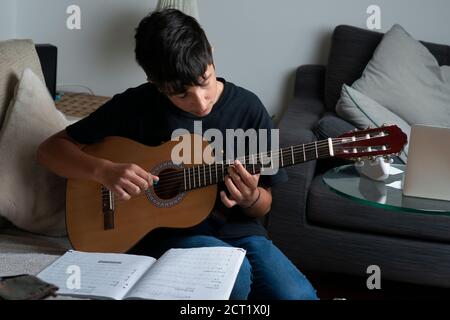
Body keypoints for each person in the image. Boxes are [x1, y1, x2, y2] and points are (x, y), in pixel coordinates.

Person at [37, 9, 318, 300]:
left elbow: (264, 205)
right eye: (181, 94)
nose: (200, 102)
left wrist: (251, 198)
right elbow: (49, 151)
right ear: (154, 83)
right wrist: (103, 171)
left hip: (240, 232)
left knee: (297, 296)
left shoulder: (248, 109)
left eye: (204, 81)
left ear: (210, 54)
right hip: (168, 237)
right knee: (234, 276)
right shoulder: (135, 106)